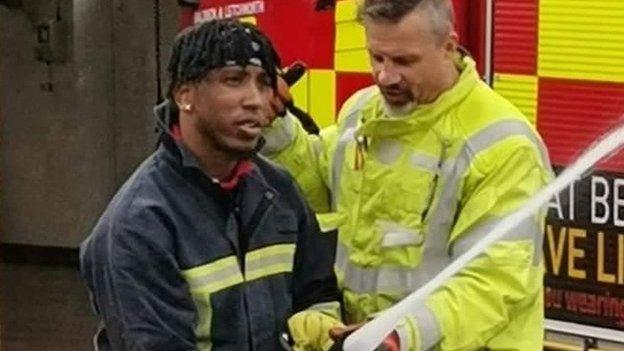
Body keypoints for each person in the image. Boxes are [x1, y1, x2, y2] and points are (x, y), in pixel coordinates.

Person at [263, 0, 553, 349]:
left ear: (448, 46)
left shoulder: (503, 144)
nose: (386, 75)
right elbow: (317, 186)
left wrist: (398, 335)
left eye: (404, 61)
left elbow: (492, 282)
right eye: (377, 57)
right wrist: (276, 125)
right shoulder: (362, 111)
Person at [80, 19, 341, 351]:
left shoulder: (280, 191)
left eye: (263, 83)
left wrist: (327, 333)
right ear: (184, 95)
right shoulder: (136, 226)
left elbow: (317, 295)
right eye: (233, 80)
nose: (255, 100)